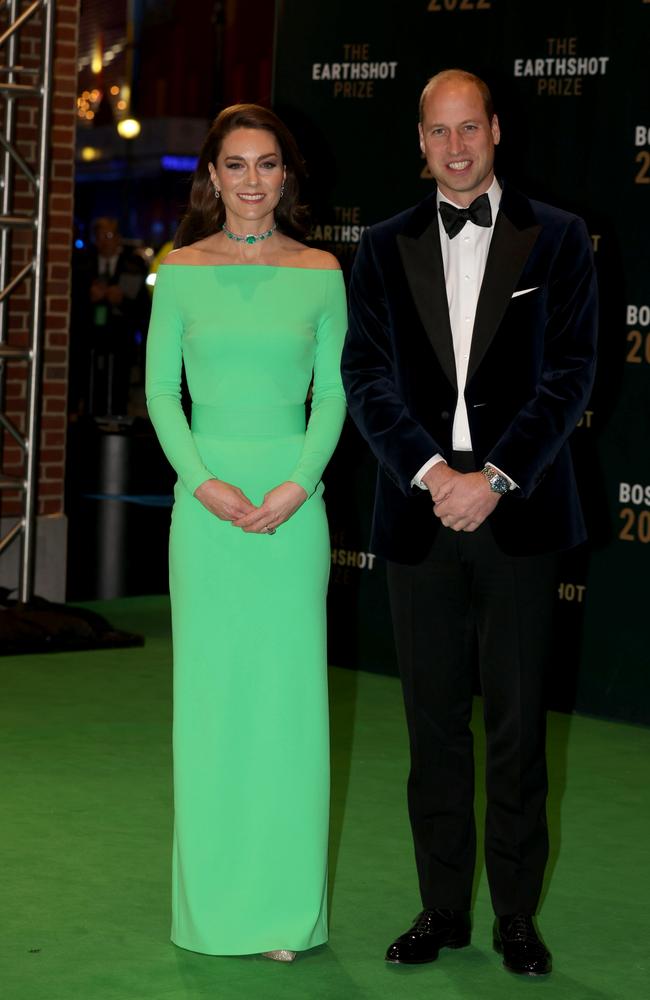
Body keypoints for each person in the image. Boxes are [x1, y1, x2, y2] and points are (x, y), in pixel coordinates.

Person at [341, 69, 597, 977]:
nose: (456, 148)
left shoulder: (558, 238)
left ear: (496, 130)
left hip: (517, 513)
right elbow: (365, 376)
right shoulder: (379, 247)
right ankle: (443, 910)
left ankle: (516, 917)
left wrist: (490, 476)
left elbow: (569, 375)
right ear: (419, 141)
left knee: (521, 728)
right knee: (432, 726)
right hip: (418, 516)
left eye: (470, 130)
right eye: (438, 133)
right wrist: (430, 473)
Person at [145, 104, 346, 961]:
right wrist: (203, 482)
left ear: (286, 177)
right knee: (214, 709)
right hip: (207, 517)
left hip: (293, 517)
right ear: (212, 177)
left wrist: (300, 483)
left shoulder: (324, 271)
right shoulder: (180, 270)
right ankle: (215, 909)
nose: (252, 181)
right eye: (236, 165)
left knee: (288, 712)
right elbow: (160, 394)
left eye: (267, 165)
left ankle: (281, 914)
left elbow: (333, 394)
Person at [69, 217, 150, 417]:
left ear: (119, 238)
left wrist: (121, 300)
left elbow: (143, 309)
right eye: (101, 236)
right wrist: (88, 296)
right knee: (89, 392)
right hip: (89, 344)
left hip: (120, 343)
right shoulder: (82, 263)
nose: (106, 240)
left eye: (110, 235)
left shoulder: (133, 265)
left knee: (118, 395)